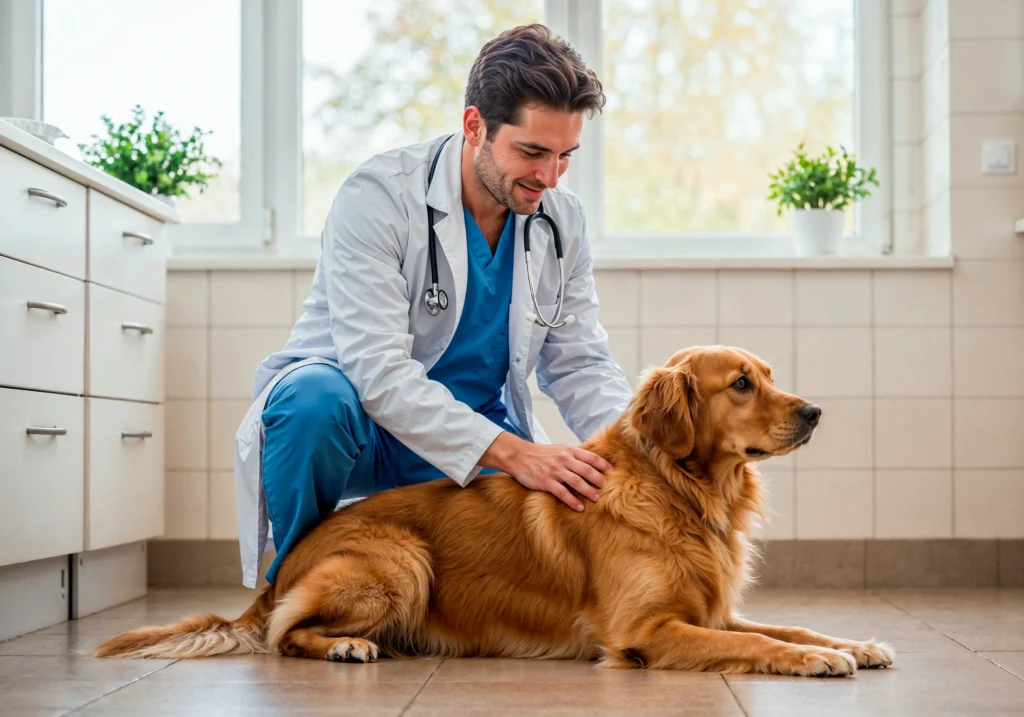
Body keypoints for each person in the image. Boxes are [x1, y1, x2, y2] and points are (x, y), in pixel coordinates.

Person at [233, 24, 633, 589]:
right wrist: (516, 454)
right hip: (359, 431)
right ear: (475, 126)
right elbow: (377, 371)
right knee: (311, 402)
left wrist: (640, 446)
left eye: (565, 156)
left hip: (472, 436)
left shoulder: (561, 220)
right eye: (532, 151)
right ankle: (296, 591)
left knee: (568, 516)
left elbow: (580, 362)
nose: (549, 176)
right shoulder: (379, 196)